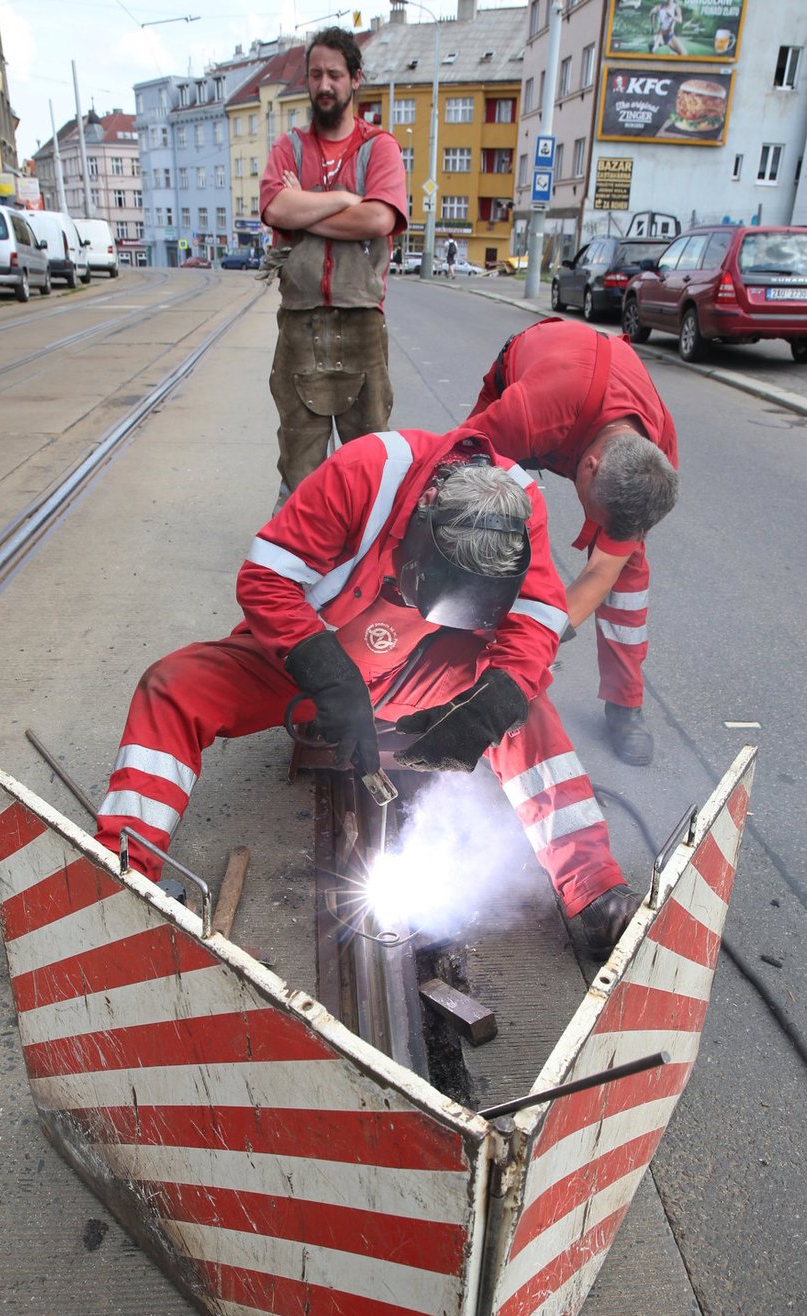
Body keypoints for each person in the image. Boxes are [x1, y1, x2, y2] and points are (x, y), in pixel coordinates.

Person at [94, 428, 644, 962]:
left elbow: (538, 616)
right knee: (173, 687)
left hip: (423, 671)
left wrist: (487, 711)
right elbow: (265, 579)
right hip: (316, 658)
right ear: (423, 519)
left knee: (523, 709)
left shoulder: (517, 505)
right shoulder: (366, 473)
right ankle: (122, 871)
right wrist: (329, 675)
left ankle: (593, 890)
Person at [463, 317, 679, 766]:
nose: (596, 527)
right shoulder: (524, 414)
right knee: (476, 513)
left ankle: (626, 705)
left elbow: (602, 571)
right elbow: (448, 470)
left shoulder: (655, 466)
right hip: (545, 380)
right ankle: (456, 650)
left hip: (590, 401)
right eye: (596, 515)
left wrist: (533, 643)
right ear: (591, 465)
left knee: (629, 577)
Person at [260, 27, 408, 500]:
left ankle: (363, 563)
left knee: (370, 463)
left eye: (335, 75)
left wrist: (306, 206)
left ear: (355, 80)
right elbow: (275, 208)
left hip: (362, 320)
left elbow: (380, 217)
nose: (324, 85)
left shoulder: (378, 147)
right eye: (316, 74)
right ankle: (292, 566)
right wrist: (345, 199)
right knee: (298, 464)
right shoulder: (290, 147)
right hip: (299, 321)